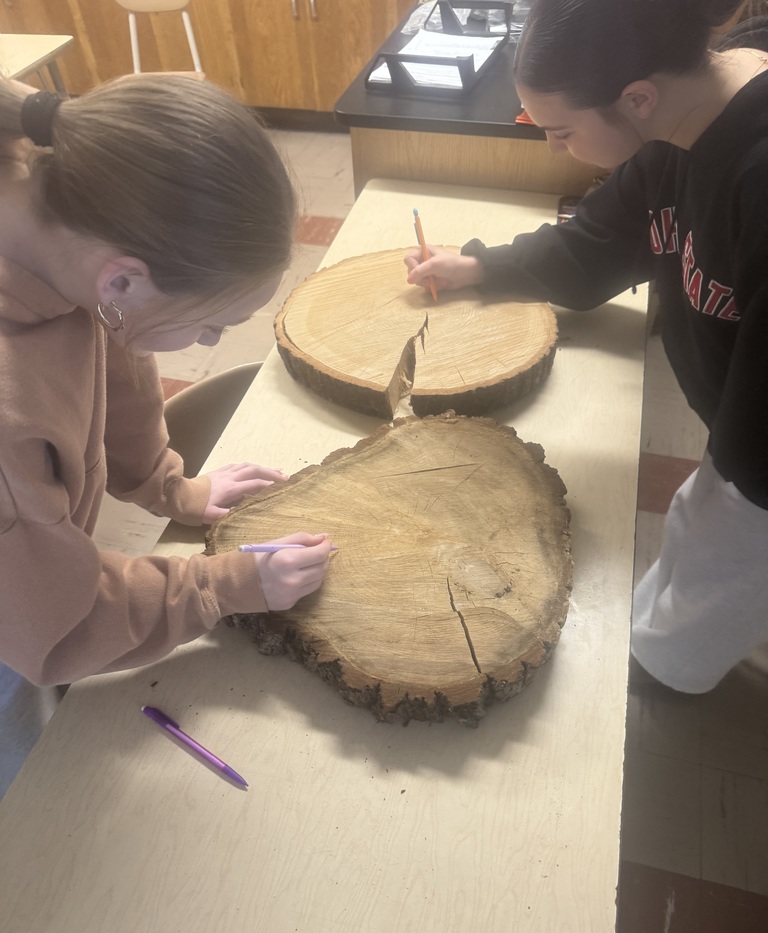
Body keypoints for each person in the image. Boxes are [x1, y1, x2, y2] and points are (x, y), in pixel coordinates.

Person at [405, 0, 768, 695]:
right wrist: (479, 269)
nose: (554, 149)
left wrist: (736, 482)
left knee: (707, 594)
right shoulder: (674, 122)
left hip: (763, 445)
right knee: (701, 518)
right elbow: (601, 240)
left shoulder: (755, 170)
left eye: (562, 131)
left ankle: (657, 684)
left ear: (636, 98)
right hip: (738, 424)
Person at [0, 72, 332, 687]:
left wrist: (169, 487)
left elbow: (113, 346)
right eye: (209, 328)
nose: (205, 343)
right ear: (123, 281)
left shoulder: (59, 205)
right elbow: (60, 629)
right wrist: (229, 584)